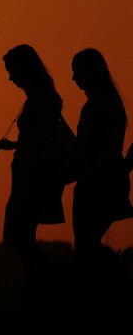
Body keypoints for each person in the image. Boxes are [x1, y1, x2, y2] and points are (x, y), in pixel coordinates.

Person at [0, 44, 67, 282]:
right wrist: (13, 145)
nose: (10, 78)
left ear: (25, 69)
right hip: (27, 178)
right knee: (22, 238)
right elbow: (35, 139)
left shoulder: (41, 100)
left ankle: (52, 279)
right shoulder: (39, 98)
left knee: (16, 237)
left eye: (12, 71)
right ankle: (38, 291)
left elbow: (41, 140)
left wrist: (21, 148)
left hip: (32, 180)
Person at [70, 48, 133, 261]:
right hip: (97, 181)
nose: (73, 78)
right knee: (87, 246)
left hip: (97, 184)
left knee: (85, 248)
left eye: (77, 71)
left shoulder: (103, 105)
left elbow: (103, 148)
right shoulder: (101, 104)